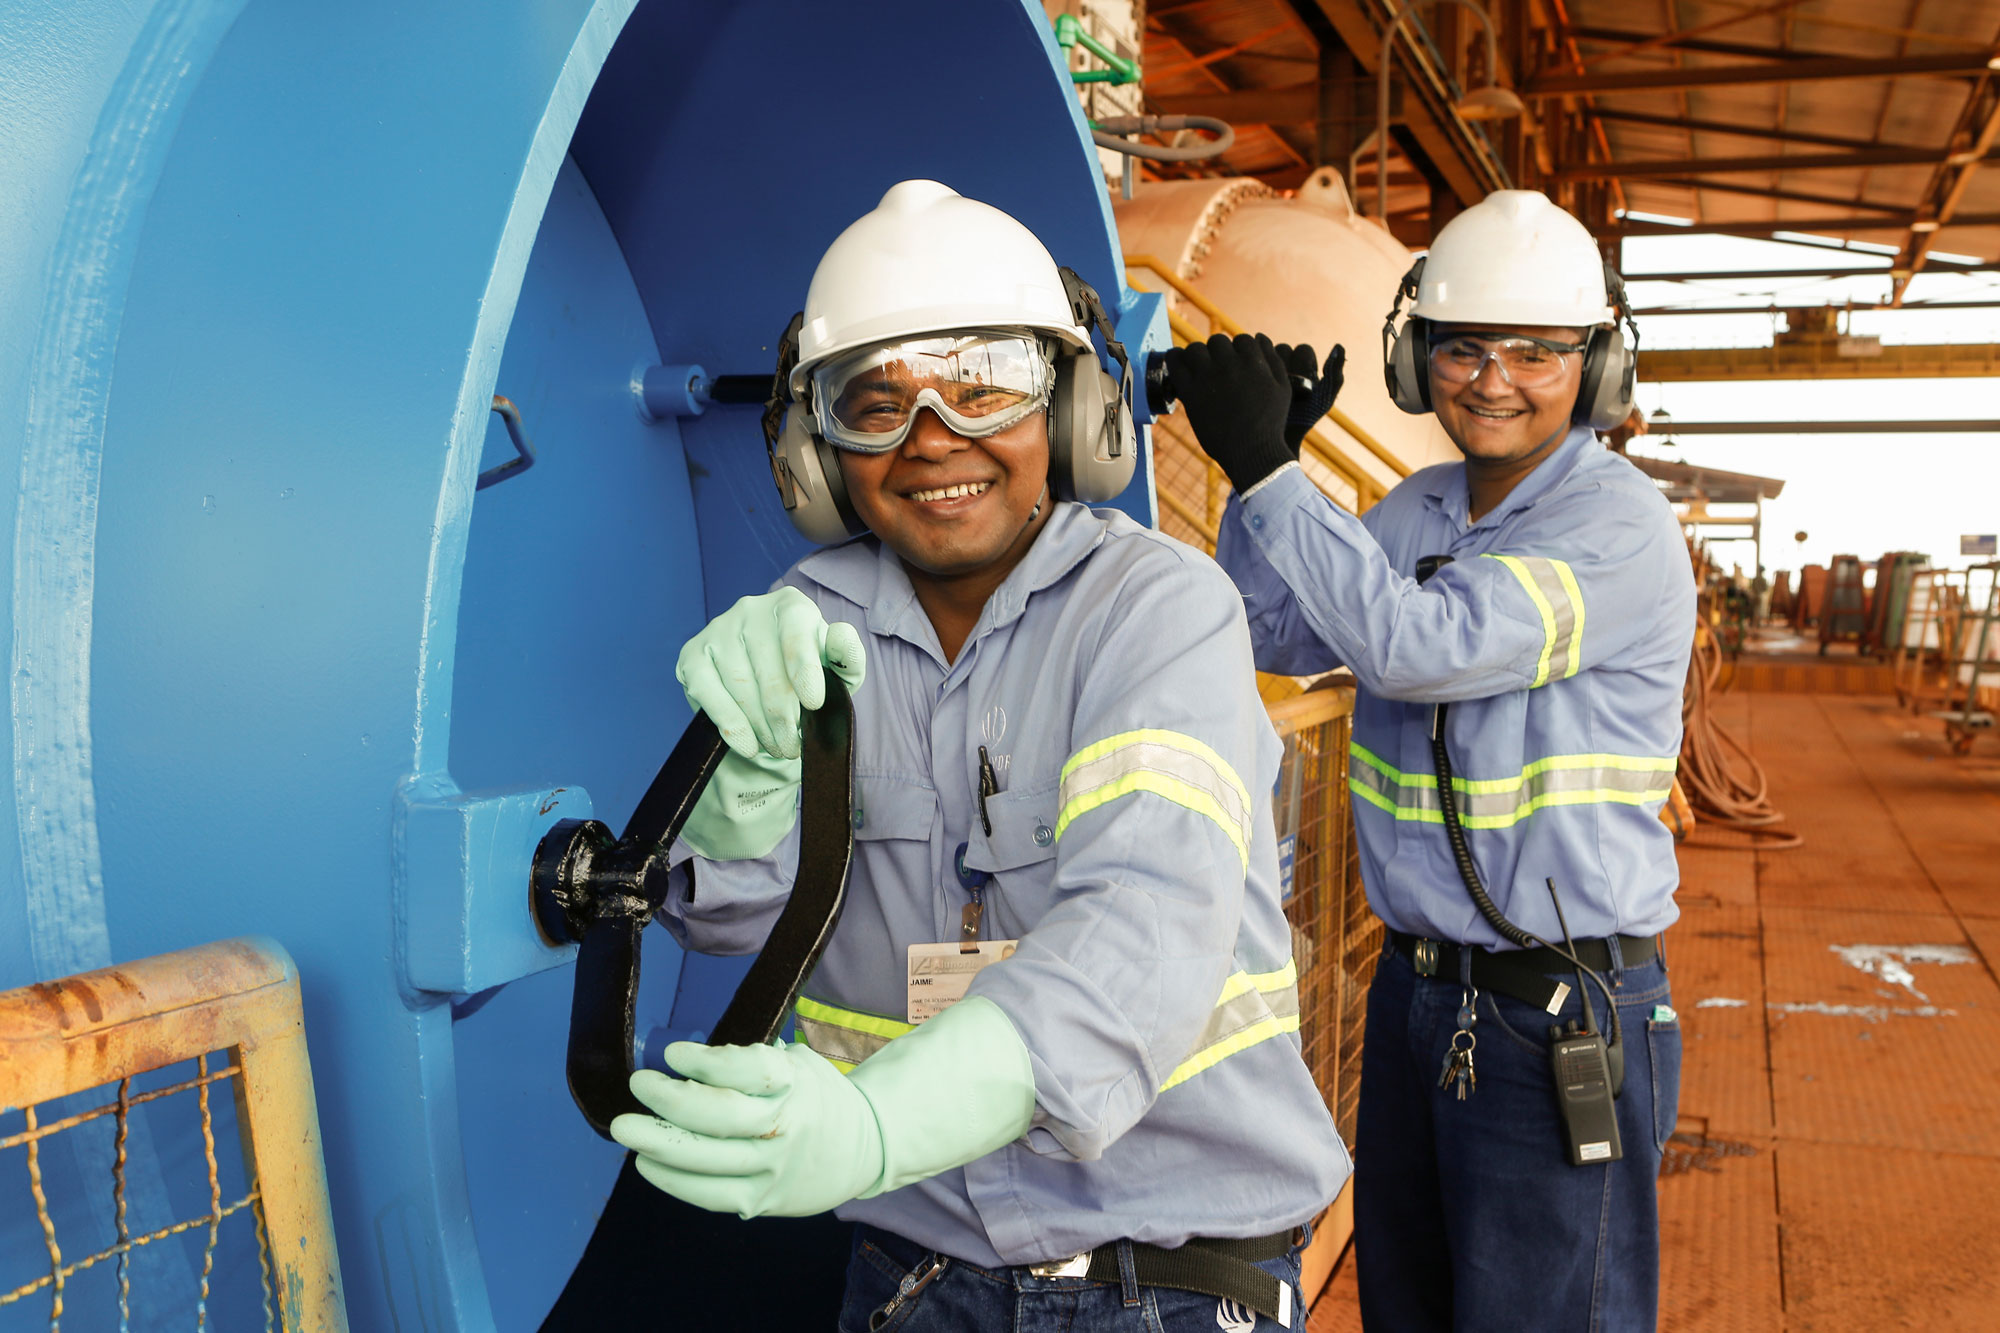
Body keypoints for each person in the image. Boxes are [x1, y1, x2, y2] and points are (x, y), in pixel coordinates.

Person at [609, 179, 1348, 1332]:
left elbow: (1141, 929)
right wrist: (742, 792)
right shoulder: (811, 616)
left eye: (981, 385)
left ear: (1072, 409)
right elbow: (733, 916)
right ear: (815, 450)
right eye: (874, 403)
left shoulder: (1159, 610)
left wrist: (873, 1127)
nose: (930, 438)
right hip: (913, 1273)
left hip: (1161, 1276)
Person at [1165, 190, 1694, 1332]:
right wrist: (1259, 473)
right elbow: (1269, 627)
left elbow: (1417, 647)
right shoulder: (1416, 508)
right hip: (1415, 997)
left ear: (1595, 366)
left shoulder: (1617, 526)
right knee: (1404, 1307)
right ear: (1417, 359)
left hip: (1557, 1009)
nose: (1493, 379)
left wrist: (1275, 475)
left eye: (1535, 351)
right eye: (1461, 347)